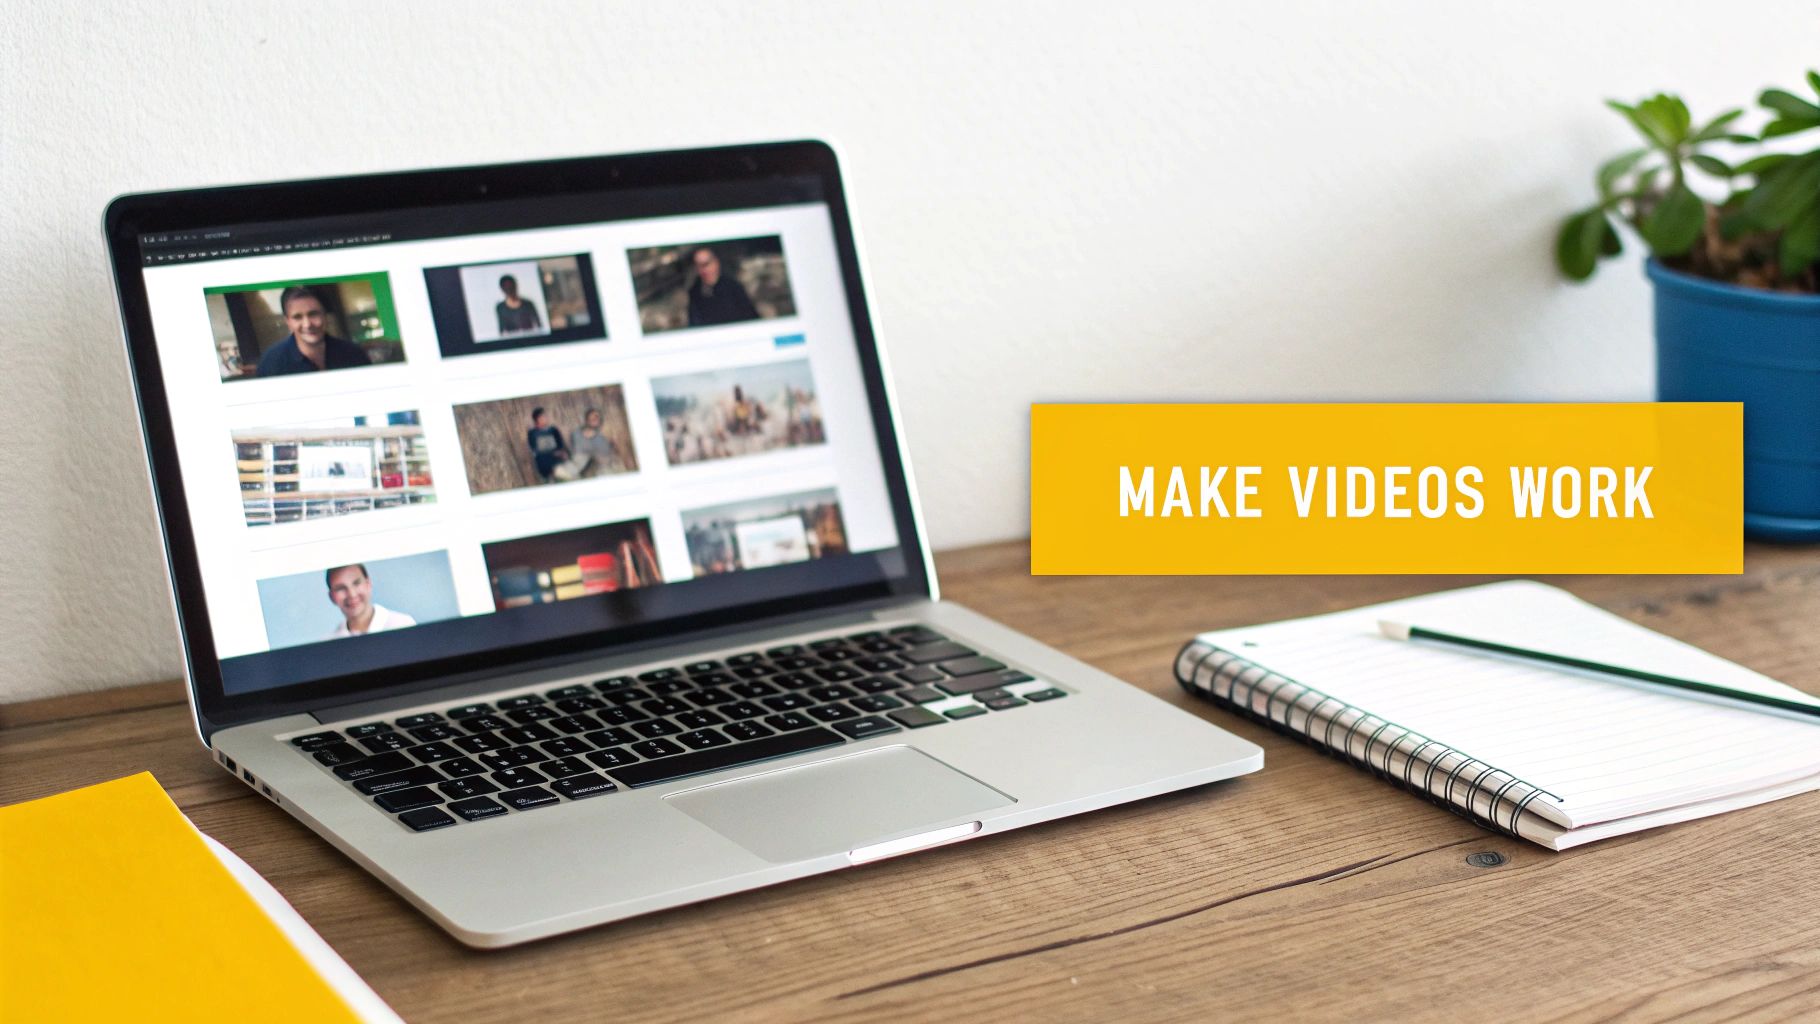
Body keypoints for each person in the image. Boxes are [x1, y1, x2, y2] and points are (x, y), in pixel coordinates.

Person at [255, 286, 372, 376]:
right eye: (297, 317)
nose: (307, 324)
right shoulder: (271, 363)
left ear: (325, 316)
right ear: (288, 322)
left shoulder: (353, 354)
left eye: (313, 314)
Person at [324, 564, 416, 639]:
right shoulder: (329, 643)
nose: (352, 594)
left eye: (356, 583)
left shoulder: (403, 624)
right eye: (340, 588)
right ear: (331, 597)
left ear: (368, 584)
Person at [685, 246, 760, 327]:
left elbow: (751, 316)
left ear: (716, 263)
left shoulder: (733, 287)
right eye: (698, 266)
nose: (703, 270)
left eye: (706, 264)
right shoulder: (694, 293)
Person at [571, 408, 622, 475]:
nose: (596, 419)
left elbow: (607, 453)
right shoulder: (577, 433)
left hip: (602, 466)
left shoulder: (602, 436)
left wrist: (613, 445)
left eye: (597, 417)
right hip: (583, 464)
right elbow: (578, 452)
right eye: (592, 418)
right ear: (587, 420)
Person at [526, 407, 569, 483]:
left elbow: (560, 444)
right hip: (544, 465)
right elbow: (535, 450)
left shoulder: (553, 430)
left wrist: (562, 453)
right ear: (538, 419)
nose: (546, 418)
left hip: (558, 463)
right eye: (543, 417)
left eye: (545, 416)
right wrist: (552, 453)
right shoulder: (532, 433)